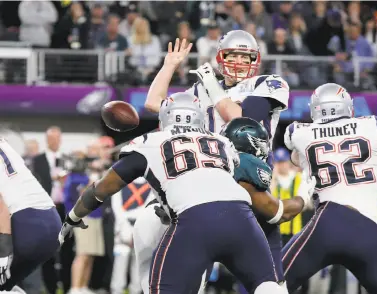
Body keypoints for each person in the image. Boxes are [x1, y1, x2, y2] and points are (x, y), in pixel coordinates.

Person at [58, 92, 286, 294]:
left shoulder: (148, 142)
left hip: (195, 221)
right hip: (242, 219)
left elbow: (101, 189)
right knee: (267, 286)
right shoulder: (222, 142)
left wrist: (73, 217)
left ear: (164, 116)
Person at [145, 32, 291, 288]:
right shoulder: (200, 89)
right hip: (207, 182)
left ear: (255, 60)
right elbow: (154, 104)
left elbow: (242, 121)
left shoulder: (267, 83)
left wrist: (212, 85)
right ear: (221, 58)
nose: (238, 62)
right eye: (233, 55)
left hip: (250, 183)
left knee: (271, 279)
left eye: (245, 57)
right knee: (193, 275)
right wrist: (169, 66)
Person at [282, 83, 377, 293]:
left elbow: (296, 158)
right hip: (369, 231)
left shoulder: (298, 132)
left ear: (315, 108)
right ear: (348, 106)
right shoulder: (372, 125)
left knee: (274, 283)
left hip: (327, 224)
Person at [0, 138, 61, 291]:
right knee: (6, 286)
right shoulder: (5, 144)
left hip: (24, 221)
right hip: (51, 221)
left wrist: (4, 253)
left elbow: (1, 207)